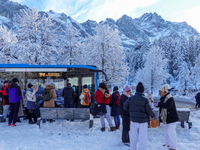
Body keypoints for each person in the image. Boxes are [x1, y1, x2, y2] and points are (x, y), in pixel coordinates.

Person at [124, 82, 155, 150]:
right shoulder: (145, 99)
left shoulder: (130, 98)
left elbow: (125, 106)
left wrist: (131, 110)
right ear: (143, 91)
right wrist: (153, 115)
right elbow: (149, 110)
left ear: (136, 90)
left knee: (133, 137)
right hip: (143, 121)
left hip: (133, 120)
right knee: (143, 137)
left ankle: (132, 148)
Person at [157, 84, 179, 150]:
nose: (159, 94)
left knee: (171, 132)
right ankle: (168, 144)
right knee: (166, 131)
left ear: (164, 92)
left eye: (160, 92)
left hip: (171, 118)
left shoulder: (169, 98)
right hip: (166, 118)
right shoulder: (163, 98)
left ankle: (173, 147)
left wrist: (159, 104)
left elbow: (168, 106)